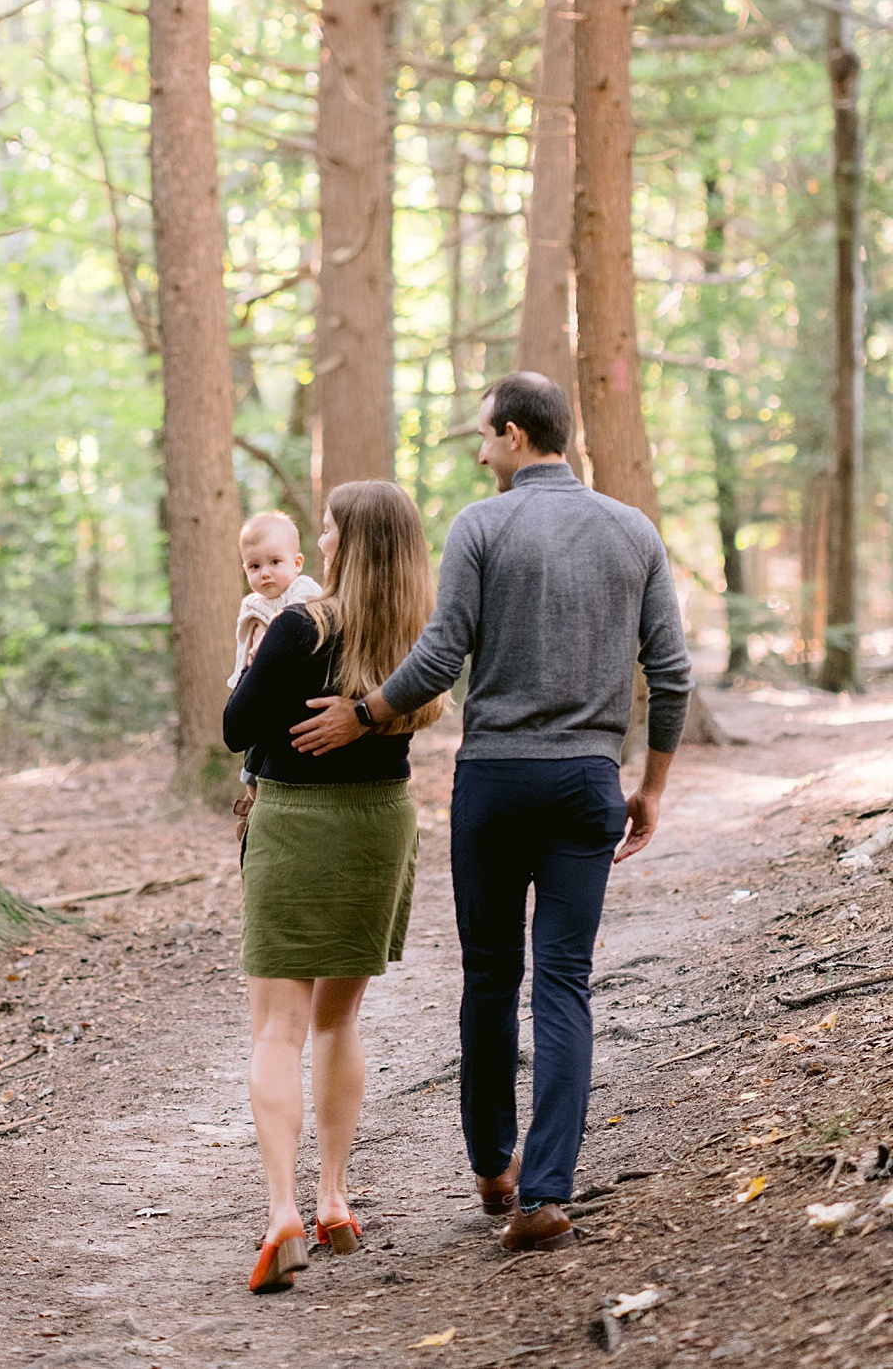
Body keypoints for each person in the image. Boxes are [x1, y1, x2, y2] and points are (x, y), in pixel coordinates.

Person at [290, 372, 693, 1253]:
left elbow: (439, 657)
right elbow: (672, 673)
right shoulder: (634, 530)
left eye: (482, 437)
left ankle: (491, 1165)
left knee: (487, 978)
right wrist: (652, 785)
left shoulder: (483, 523)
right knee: (563, 985)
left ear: (514, 435)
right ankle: (545, 1194)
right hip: (589, 780)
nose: (478, 454)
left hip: (495, 785)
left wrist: (364, 713)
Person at [223, 481, 444, 1293]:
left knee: (276, 1028)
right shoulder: (420, 628)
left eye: (327, 529)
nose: (318, 543)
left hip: (296, 825)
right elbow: (429, 707)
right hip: (380, 823)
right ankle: (335, 1199)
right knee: (339, 1018)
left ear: (350, 541)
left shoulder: (299, 623)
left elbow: (234, 729)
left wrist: (253, 668)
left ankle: (283, 1209)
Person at [228, 512, 323, 834]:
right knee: (254, 751)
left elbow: (296, 623)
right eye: (255, 567)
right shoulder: (252, 604)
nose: (265, 574)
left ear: (296, 563)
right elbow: (244, 646)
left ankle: (265, 801)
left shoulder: (303, 590)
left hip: (296, 689)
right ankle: (252, 799)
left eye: (274, 563)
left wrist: (270, 648)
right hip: (259, 689)